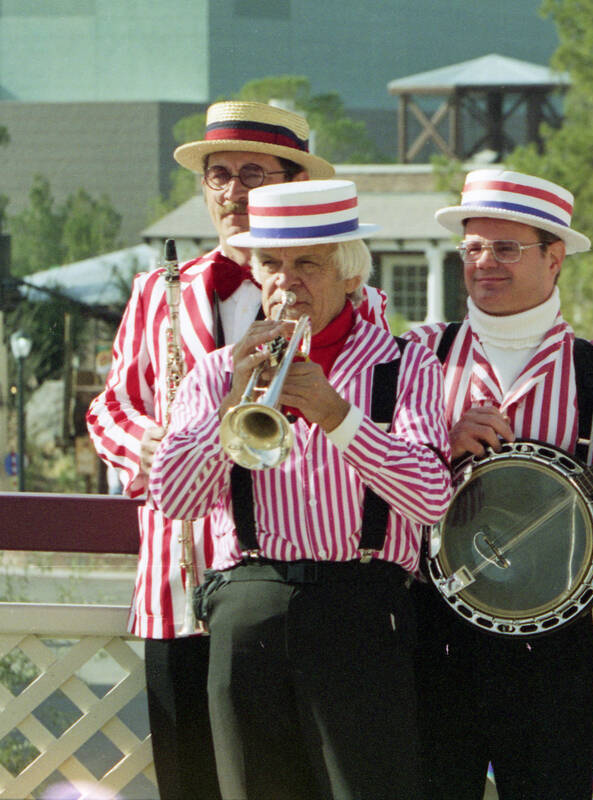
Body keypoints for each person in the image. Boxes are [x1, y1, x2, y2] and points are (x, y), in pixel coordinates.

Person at [86, 100, 394, 800]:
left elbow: (380, 399)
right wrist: (148, 448)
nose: (231, 191)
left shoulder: (343, 289)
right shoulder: (158, 291)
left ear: (292, 183)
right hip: (177, 577)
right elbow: (109, 408)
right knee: (189, 782)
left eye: (252, 173)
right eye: (217, 175)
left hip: (284, 586)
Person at [148, 178, 450, 799]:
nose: (287, 282)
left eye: (307, 264)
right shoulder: (217, 370)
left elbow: (430, 497)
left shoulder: (407, 363)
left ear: (350, 273)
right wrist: (231, 405)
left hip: (362, 608)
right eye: (271, 264)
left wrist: (337, 416)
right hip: (248, 605)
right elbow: (174, 498)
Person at [405, 169, 593, 799]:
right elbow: (370, 490)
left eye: (506, 248)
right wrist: (440, 448)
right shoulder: (418, 355)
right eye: (473, 247)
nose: (484, 263)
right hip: (433, 636)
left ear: (555, 258)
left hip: (551, 653)